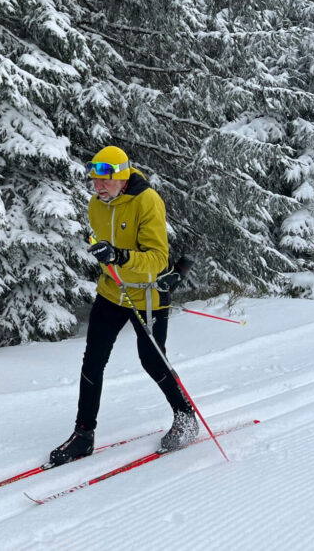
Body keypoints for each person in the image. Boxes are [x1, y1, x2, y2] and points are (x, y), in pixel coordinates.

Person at [48, 145, 198, 466]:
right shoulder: (95, 205)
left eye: (105, 181)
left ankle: (186, 416)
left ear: (122, 177)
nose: (97, 187)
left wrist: (119, 255)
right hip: (112, 291)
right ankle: (83, 435)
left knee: (152, 361)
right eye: (94, 181)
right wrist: (102, 251)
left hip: (148, 294)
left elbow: (158, 259)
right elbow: (98, 241)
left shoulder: (147, 201)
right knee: (93, 361)